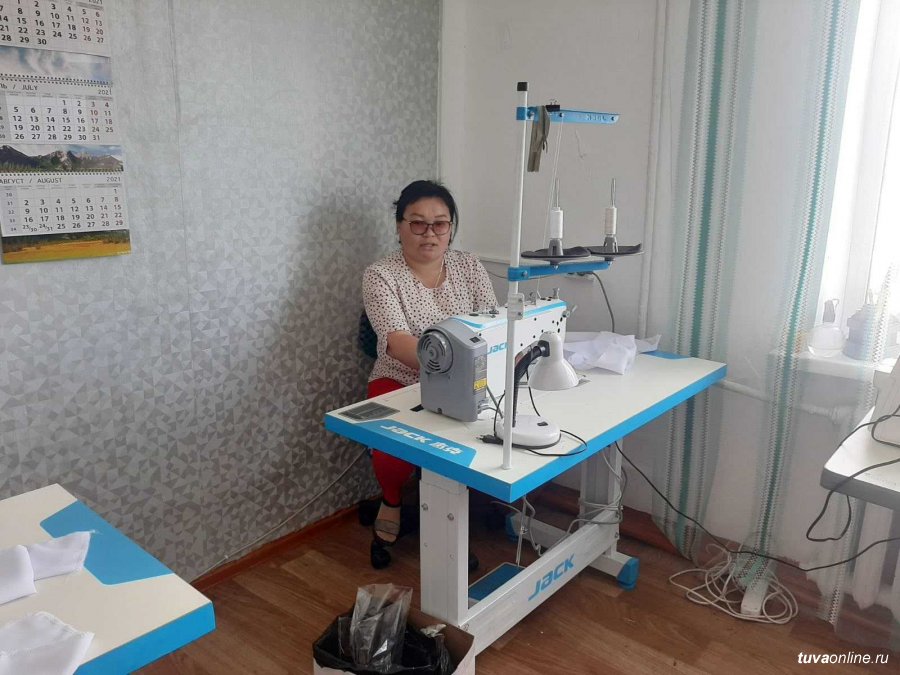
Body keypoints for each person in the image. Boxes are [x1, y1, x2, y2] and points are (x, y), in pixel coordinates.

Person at [362, 179, 497, 568]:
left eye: (440, 223)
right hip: (400, 378)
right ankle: (392, 500)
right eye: (418, 223)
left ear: (450, 227)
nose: (430, 233)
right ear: (400, 226)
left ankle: (451, 510)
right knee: (392, 446)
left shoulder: (468, 265)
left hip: (468, 377)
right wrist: (457, 368)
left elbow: (491, 322)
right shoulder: (381, 274)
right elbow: (397, 342)